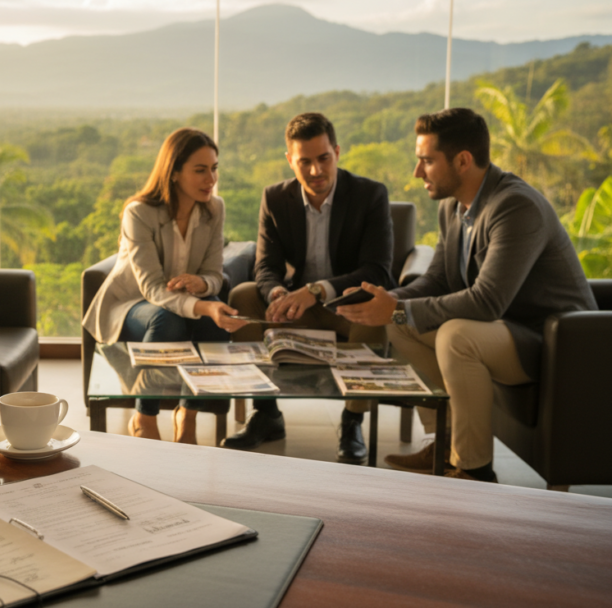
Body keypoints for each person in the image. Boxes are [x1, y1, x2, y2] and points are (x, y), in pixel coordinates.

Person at [337, 107, 597, 482]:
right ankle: (444, 443)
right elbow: (439, 279)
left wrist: (396, 309)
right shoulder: (453, 208)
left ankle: (474, 470)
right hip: (505, 328)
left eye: (426, 161)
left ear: (462, 160)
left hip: (557, 342)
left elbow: (488, 300)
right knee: (401, 326)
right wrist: (386, 300)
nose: (417, 172)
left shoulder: (515, 206)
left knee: (456, 336)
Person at [226, 112, 394, 461]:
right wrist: (276, 293)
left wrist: (316, 290)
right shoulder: (275, 198)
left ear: (337, 151)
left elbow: (377, 271)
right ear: (290, 160)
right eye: (305, 162)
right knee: (243, 297)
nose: (316, 171)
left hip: (345, 307)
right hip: (295, 306)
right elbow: (266, 265)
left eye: (324, 159)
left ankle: (352, 419)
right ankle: (267, 413)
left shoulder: (369, 195)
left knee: (376, 311)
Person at [82, 127, 246, 443]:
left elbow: (215, 274)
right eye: (200, 170)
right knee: (168, 318)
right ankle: (144, 416)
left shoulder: (215, 208)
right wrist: (204, 303)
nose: (210, 179)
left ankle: (188, 414)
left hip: (182, 303)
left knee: (215, 328)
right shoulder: (139, 213)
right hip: (130, 307)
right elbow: (153, 290)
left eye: (214, 169)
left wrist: (201, 284)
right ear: (174, 173)